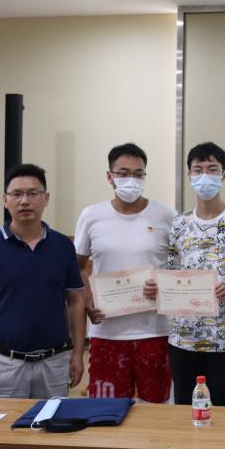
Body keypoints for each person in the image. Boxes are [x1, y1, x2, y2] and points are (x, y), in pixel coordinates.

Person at [0, 163, 85, 398]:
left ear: (46, 198)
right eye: (16, 194)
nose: (24, 201)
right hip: (4, 364)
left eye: (33, 193)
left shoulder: (63, 246)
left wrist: (78, 353)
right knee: (3, 423)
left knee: (53, 421)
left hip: (54, 363)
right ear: (5, 200)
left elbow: (76, 300)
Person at [75, 142, 177, 402]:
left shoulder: (166, 215)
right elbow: (78, 266)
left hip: (156, 331)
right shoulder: (91, 215)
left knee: (156, 410)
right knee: (104, 411)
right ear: (109, 177)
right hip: (106, 332)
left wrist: (164, 286)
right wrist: (88, 300)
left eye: (138, 174)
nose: (131, 180)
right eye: (123, 173)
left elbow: (181, 267)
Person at [163, 141, 225, 406]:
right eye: (198, 169)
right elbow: (172, 272)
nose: (204, 175)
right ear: (189, 175)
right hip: (184, 338)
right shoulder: (180, 223)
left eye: (212, 169)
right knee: (185, 408)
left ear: (223, 175)